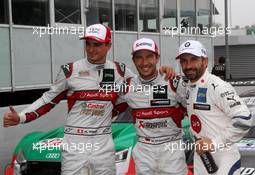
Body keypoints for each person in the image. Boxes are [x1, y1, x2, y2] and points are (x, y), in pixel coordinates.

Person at [3, 24, 174, 175]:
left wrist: (163, 72)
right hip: (75, 143)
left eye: (97, 45)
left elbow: (143, 86)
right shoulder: (69, 70)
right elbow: (48, 100)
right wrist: (22, 117)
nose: (91, 49)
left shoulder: (119, 71)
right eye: (88, 44)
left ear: (108, 45)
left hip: (104, 142)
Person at [176, 40, 252, 175]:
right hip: (201, 157)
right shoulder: (188, 86)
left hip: (224, 157)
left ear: (205, 61)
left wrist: (214, 143)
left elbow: (244, 120)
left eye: (193, 59)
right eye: (183, 61)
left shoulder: (217, 86)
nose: (188, 66)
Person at [117, 38, 188, 175]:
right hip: (144, 150)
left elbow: (196, 111)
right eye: (139, 57)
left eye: (149, 56)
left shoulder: (173, 81)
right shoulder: (127, 86)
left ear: (157, 58)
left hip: (171, 149)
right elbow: (106, 104)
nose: (144, 63)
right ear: (133, 60)